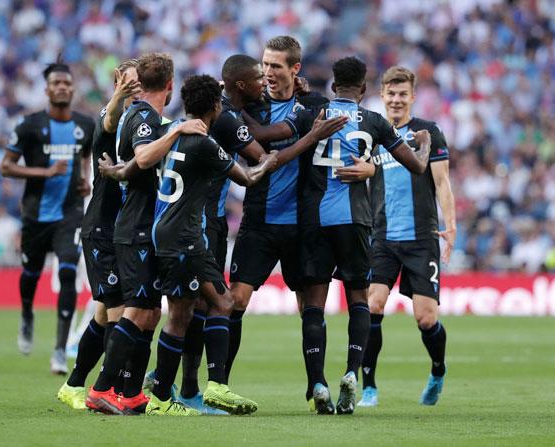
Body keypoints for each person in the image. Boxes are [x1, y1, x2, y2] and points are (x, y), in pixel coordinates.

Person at [172, 54, 347, 412]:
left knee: (308, 305)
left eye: (273, 67)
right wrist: (311, 135)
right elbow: (263, 152)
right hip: (253, 222)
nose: (266, 74)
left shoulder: (308, 104)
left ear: (293, 70)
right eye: (261, 68)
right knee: (226, 301)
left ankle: (317, 386)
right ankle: (204, 386)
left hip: (299, 224)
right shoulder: (236, 113)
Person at [299, 56, 431, 414]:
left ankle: (317, 384)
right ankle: (352, 375)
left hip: (315, 220)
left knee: (314, 304)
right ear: (363, 89)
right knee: (358, 297)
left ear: (332, 85)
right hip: (356, 221)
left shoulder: (313, 114)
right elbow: (418, 167)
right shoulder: (373, 121)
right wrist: (424, 142)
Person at [85, 53, 207, 415]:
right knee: (136, 313)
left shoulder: (137, 114)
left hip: (142, 227)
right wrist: (177, 130)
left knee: (150, 314)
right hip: (134, 227)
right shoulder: (143, 116)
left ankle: (131, 392)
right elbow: (145, 156)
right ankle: (101, 388)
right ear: (170, 85)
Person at [147, 74, 277, 416]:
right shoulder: (204, 142)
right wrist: (271, 161)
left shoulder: (172, 130)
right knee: (206, 307)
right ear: (216, 107)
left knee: (197, 307)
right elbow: (247, 176)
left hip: (166, 230)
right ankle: (183, 392)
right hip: (185, 237)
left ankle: (172, 390)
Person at [355, 66, 455, 407]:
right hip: (381, 236)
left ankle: (438, 370)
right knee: (373, 305)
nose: (396, 100)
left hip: (420, 237)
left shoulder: (427, 133)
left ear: (412, 97)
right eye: (391, 94)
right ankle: (369, 386)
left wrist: (451, 226)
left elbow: (442, 182)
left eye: (402, 94)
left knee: (426, 318)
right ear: (382, 95)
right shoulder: (371, 132)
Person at [0, 61, 95, 375]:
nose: (62, 87)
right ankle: (27, 314)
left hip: (70, 213)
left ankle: (59, 349)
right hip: (36, 214)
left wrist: (84, 180)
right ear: (47, 89)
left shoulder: (85, 125)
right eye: (56, 83)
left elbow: (84, 156)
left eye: (67, 83)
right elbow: (6, 166)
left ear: (73, 88)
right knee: (31, 274)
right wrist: (44, 171)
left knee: (68, 271)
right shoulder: (29, 125)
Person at [56, 60, 141, 409]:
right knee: (120, 311)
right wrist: (118, 95)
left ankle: (75, 385)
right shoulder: (111, 116)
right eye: (131, 82)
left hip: (123, 229)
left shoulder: (143, 122)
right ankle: (112, 389)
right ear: (119, 81)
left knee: (105, 312)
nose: (138, 88)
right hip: (102, 229)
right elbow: (108, 119)